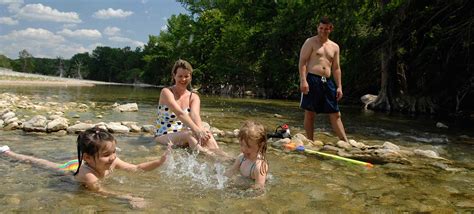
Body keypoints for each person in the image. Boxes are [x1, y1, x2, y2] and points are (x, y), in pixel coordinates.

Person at [0, 127, 170, 209]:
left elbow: (136, 168)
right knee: (40, 163)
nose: (112, 157)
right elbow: (100, 192)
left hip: (85, 161)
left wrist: (159, 162)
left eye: (113, 151)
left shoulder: (113, 160)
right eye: (106, 154)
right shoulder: (89, 176)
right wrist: (129, 197)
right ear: (88, 157)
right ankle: (10, 154)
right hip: (71, 167)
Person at [154, 59, 230, 160]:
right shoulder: (166, 92)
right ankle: (212, 157)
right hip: (164, 135)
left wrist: (201, 131)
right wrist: (196, 130)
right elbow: (180, 113)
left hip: (184, 134)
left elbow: (195, 115)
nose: (183, 79)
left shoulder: (193, 97)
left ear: (190, 77)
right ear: (174, 76)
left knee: (206, 132)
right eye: (180, 76)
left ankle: (227, 157)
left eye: (186, 76)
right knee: (189, 134)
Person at [298, 17, 349, 142]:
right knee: (310, 113)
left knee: (335, 113)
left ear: (330, 29)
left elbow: (336, 68)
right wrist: (303, 80)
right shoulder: (310, 42)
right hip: (312, 79)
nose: (323, 31)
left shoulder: (335, 47)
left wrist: (339, 86)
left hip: (327, 81)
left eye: (326, 29)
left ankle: (345, 142)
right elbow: (302, 62)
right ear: (317, 28)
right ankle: (310, 141)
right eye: (321, 28)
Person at [225, 120, 268, 191]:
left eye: (248, 146)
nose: (243, 149)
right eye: (241, 144)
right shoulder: (242, 157)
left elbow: (259, 188)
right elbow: (231, 172)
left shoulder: (259, 166)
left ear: (260, 145)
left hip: (247, 188)